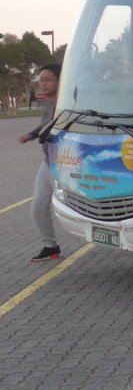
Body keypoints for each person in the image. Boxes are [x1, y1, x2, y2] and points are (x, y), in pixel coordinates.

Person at [18, 63, 61, 262]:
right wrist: (32, 134)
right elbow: (44, 125)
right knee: (38, 207)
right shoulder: (48, 102)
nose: (43, 84)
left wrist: (38, 134)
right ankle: (50, 247)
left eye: (47, 79)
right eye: (40, 80)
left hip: (65, 164)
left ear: (59, 80)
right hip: (48, 163)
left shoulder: (65, 104)